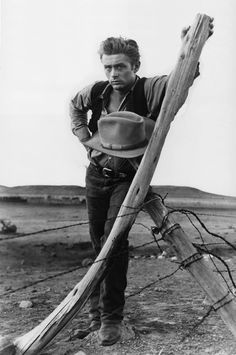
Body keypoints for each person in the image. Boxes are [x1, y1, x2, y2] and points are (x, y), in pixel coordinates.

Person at [70, 22, 213, 346]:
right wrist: (86, 138)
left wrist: (187, 49)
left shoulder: (149, 88)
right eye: (108, 67)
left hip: (128, 179)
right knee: (98, 245)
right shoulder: (95, 92)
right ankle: (94, 315)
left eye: (120, 66)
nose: (113, 73)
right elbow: (75, 109)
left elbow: (181, 81)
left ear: (135, 66)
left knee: (114, 243)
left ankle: (111, 319)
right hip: (96, 175)